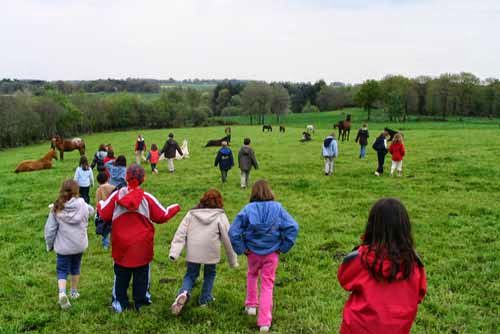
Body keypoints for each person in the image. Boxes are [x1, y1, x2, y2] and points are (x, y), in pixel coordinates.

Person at [97, 164, 181, 313]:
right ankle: (141, 301)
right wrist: (176, 206)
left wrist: (100, 203)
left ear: (126, 177)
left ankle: (119, 302)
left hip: (121, 244)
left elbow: (104, 214)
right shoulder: (147, 198)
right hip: (142, 245)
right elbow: (162, 216)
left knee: (121, 274)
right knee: (142, 274)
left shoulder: (116, 196)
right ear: (144, 178)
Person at [337, 198, 427, 334]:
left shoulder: (361, 258)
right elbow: (420, 295)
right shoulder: (415, 264)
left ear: (372, 226)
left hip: (357, 329)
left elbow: (343, 279)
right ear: (405, 228)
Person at [229, 180, 299, 333]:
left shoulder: (247, 209)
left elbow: (233, 232)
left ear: (253, 193)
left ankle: (251, 306)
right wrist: (283, 247)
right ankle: (264, 323)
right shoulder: (278, 208)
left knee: (252, 275)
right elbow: (293, 226)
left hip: (252, 252)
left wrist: (242, 248)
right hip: (272, 253)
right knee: (267, 284)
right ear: (269, 192)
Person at [169, 189, 238, 315]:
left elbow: (180, 233)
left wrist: (174, 253)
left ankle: (184, 292)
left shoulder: (191, 214)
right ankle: (205, 299)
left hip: (194, 251)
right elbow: (228, 239)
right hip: (210, 251)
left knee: (190, 274)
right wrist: (233, 261)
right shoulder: (220, 216)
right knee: (209, 274)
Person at [44, 180, 94, 309]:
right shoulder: (83, 204)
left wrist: (49, 245)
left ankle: (62, 293)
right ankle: (73, 292)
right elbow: (92, 211)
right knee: (75, 267)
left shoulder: (56, 207)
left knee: (62, 270)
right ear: (76, 191)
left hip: (63, 247)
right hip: (79, 245)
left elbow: (50, 230)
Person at [95, 172, 116, 250]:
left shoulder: (99, 190)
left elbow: (98, 202)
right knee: (113, 228)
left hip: (103, 212)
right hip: (113, 211)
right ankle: (114, 243)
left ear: (98, 181)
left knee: (104, 229)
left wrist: (97, 212)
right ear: (108, 179)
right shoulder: (113, 187)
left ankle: (106, 245)